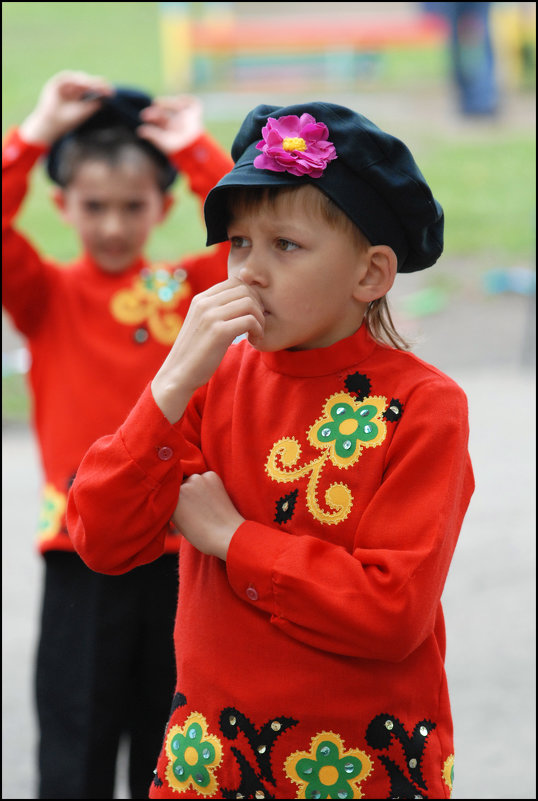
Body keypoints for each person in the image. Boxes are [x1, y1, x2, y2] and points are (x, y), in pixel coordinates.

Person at [67, 102, 475, 799]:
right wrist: (168, 384)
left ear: (371, 274)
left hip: (357, 768)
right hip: (210, 765)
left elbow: (391, 610)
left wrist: (234, 538)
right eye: (238, 244)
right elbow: (101, 537)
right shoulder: (210, 382)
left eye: (285, 246)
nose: (249, 272)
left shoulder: (425, 404)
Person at [2, 70, 232, 799]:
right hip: (78, 553)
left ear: (161, 208)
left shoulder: (182, 294)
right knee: (76, 740)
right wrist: (35, 133)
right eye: (93, 206)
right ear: (62, 205)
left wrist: (196, 150)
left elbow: (250, 251)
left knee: (176, 746)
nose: (110, 224)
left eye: (131, 207)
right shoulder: (47, 293)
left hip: (180, 552)